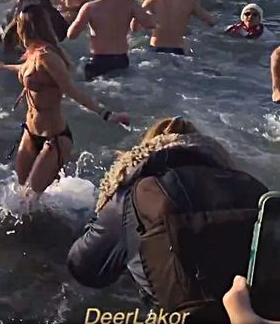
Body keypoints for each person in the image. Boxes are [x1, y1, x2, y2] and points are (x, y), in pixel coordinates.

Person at [67, 117, 267, 321]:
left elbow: (84, 267)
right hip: (254, 312)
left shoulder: (134, 195)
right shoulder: (252, 188)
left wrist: (99, 219)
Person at [0, 0, 129, 196]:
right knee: (20, 193)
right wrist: (3, 66)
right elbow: (25, 70)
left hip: (54, 138)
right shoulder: (32, 54)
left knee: (28, 198)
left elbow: (72, 91)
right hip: (30, 132)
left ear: (24, 28)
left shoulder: (47, 57)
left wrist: (107, 114)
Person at [68, 0, 156, 81]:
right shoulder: (130, 5)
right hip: (121, 60)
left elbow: (71, 35)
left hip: (99, 61)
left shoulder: (90, 7)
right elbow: (149, 24)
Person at [142, 0, 216, 55]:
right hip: (177, 49)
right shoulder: (191, 3)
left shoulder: (152, 0)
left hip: (155, 47)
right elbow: (211, 22)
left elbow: (134, 26)